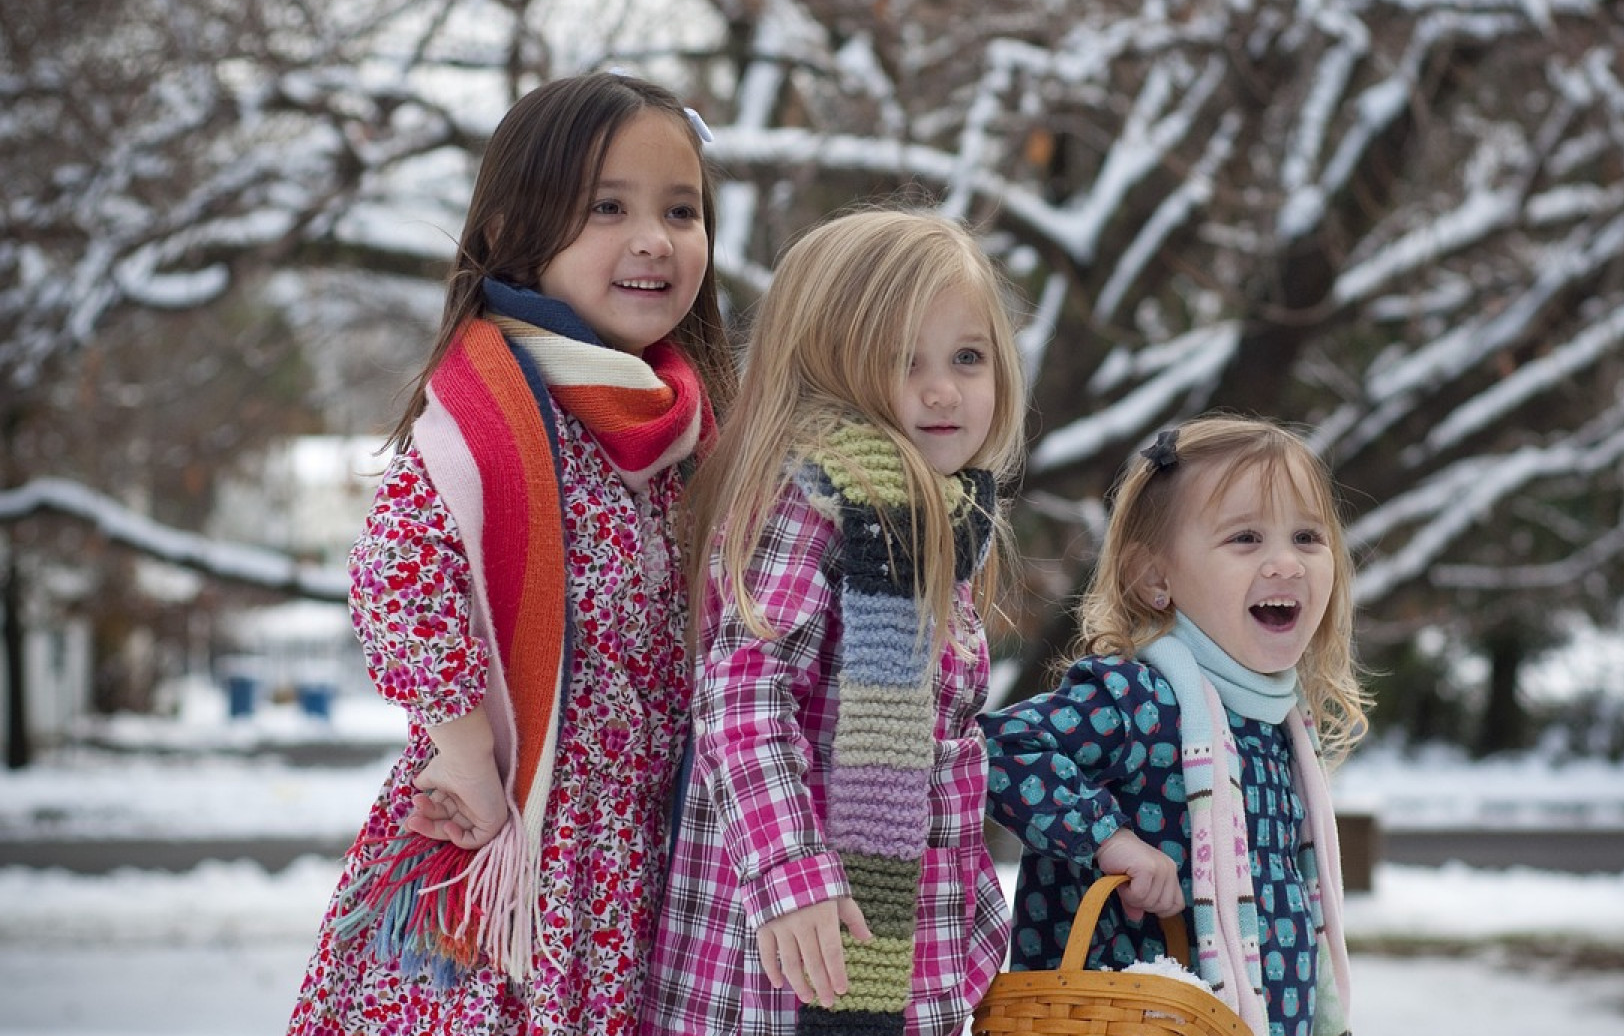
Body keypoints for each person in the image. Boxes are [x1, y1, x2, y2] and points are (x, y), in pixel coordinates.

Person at [287, 71, 736, 1035]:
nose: (654, 239)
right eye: (606, 208)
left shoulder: (695, 432)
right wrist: (466, 763)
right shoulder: (488, 421)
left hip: (652, 855)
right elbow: (399, 577)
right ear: (508, 234)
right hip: (503, 850)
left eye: (681, 210)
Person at [643, 208, 1027, 1036]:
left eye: (968, 357)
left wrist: (971, 931)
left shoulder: (936, 522)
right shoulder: (816, 499)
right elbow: (741, 696)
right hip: (789, 948)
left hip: (897, 941)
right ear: (829, 364)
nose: (941, 389)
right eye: (902, 360)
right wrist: (790, 871)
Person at [979, 416, 1368, 1036]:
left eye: (1306, 537)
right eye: (1245, 538)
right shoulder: (1140, 698)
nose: (1287, 564)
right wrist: (1111, 840)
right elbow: (1001, 749)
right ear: (1156, 578)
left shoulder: (1280, 727)